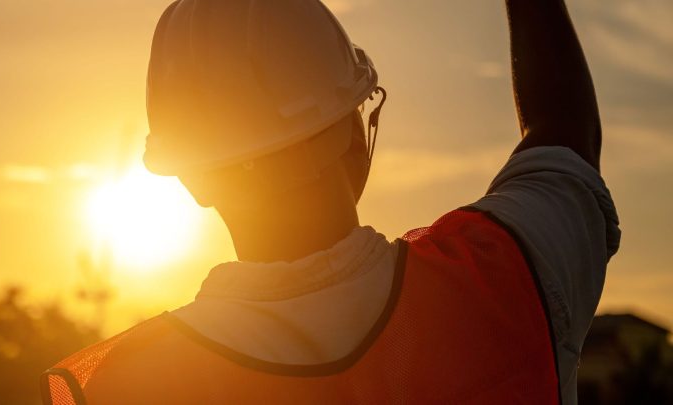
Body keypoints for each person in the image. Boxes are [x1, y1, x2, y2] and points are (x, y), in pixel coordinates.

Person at [42, 0, 619, 403]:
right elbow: (565, 136)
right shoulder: (505, 276)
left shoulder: (127, 387)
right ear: (352, 135)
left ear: (194, 181)